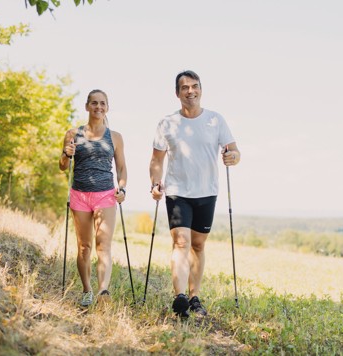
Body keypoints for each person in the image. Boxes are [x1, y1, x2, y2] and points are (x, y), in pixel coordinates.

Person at [149, 70, 241, 318]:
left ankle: (194, 297)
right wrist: (155, 183)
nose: (190, 91)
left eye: (195, 86)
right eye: (185, 87)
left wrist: (232, 156)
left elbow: (234, 151)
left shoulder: (215, 120)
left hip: (207, 192)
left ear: (201, 89)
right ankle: (180, 297)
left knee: (198, 245)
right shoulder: (167, 123)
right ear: (177, 93)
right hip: (177, 192)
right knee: (181, 242)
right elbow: (157, 160)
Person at [59, 89, 127, 307]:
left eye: (103, 104)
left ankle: (103, 291)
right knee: (84, 247)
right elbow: (63, 167)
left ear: (107, 107)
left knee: (102, 245)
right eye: (94, 103)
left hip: (105, 195)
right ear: (87, 106)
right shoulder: (72, 134)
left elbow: (122, 168)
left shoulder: (115, 137)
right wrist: (66, 154)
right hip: (79, 194)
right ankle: (87, 290)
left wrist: (122, 189)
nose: (98, 107)